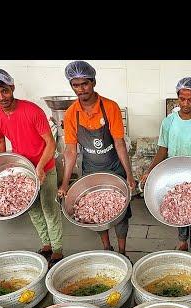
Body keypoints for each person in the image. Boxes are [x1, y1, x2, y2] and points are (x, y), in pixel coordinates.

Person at [0, 68, 64, 267]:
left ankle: (58, 250)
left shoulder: (32, 111)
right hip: (22, 170)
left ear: (12, 88)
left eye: (5, 91)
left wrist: (41, 167)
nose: (1, 97)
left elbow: (50, 143)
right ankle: (46, 245)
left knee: (49, 208)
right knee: (33, 209)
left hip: (45, 166)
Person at [57, 61, 136, 257]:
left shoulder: (109, 108)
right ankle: (107, 249)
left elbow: (119, 144)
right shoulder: (71, 114)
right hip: (91, 170)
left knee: (122, 215)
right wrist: (65, 183)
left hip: (114, 167)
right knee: (97, 214)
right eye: (75, 85)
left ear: (93, 82)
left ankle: (123, 252)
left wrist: (129, 175)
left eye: (84, 84)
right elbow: (70, 151)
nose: (80, 89)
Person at [140, 77, 191, 255]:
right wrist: (149, 172)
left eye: (190, 99)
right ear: (177, 97)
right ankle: (182, 242)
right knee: (177, 207)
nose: (186, 103)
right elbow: (162, 150)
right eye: (182, 99)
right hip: (174, 174)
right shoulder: (169, 122)